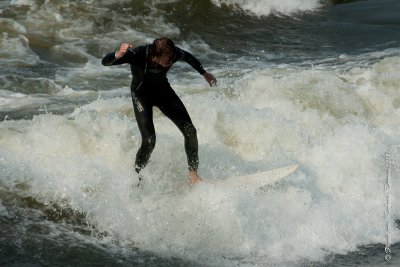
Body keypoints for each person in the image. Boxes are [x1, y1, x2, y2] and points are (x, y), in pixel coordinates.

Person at [102, 37, 217, 185]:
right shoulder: (138, 54)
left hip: (163, 92)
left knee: (190, 131)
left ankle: (193, 174)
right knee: (150, 141)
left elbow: (188, 57)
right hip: (141, 96)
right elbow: (105, 62)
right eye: (166, 60)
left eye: (171, 59)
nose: (170, 63)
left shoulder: (173, 54)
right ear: (155, 56)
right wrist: (118, 54)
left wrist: (204, 73)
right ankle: (136, 176)